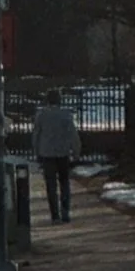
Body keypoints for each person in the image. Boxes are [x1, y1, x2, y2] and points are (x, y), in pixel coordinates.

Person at [32, 89, 82, 223]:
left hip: (47, 153)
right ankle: (65, 212)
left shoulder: (41, 115)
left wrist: (36, 152)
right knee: (64, 183)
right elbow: (73, 135)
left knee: (51, 185)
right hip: (63, 153)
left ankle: (55, 215)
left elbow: (36, 135)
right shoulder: (66, 115)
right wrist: (76, 152)